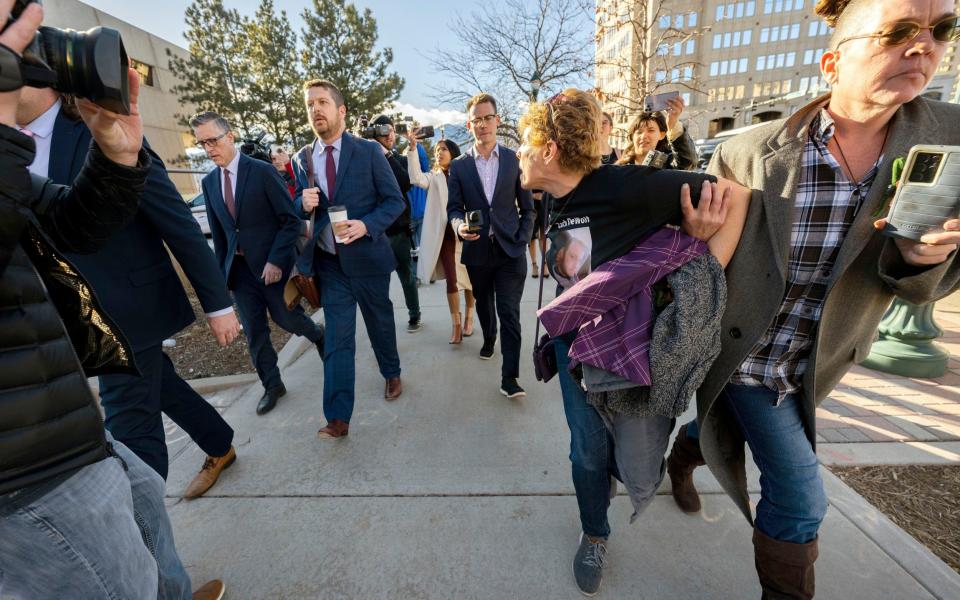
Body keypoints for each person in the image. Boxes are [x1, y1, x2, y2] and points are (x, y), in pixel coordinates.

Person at [664, 0, 960, 597]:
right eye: (898, 31)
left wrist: (921, 260)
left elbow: (932, 278)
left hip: (820, 359)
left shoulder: (948, 139)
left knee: (732, 431)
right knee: (800, 496)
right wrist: (693, 245)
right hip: (745, 355)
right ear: (833, 61)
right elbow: (704, 265)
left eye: (942, 30)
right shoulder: (747, 152)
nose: (922, 46)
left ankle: (691, 448)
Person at [0, 7, 223, 598]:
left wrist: (118, 155)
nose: (26, 54)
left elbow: (72, 224)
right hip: (24, 459)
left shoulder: (24, 151)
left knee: (142, 488)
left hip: (68, 402)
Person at [516, 88, 752, 596]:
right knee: (585, 453)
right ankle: (595, 532)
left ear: (549, 149)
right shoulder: (553, 200)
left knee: (632, 455)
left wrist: (704, 271)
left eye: (524, 143)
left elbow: (736, 199)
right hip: (572, 349)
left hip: (628, 356)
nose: (520, 153)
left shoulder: (625, 186)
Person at [17, 87, 240, 500]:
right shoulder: (9, 148)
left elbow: (174, 219)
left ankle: (149, 557)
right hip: (66, 321)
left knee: (131, 441)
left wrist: (218, 303)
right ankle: (219, 443)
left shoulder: (102, 126)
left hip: (127, 313)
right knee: (163, 387)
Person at [192, 111, 326, 417]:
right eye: (202, 144)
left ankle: (319, 335)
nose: (209, 148)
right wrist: (221, 278)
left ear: (230, 136)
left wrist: (276, 260)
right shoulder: (210, 182)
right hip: (239, 274)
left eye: (213, 140)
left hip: (272, 268)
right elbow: (221, 234)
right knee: (255, 333)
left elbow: (290, 221)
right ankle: (272, 384)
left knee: (287, 319)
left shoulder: (262, 172)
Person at [294, 79, 406, 439]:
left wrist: (366, 225)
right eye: (310, 104)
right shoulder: (302, 159)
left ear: (341, 111)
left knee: (380, 324)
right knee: (339, 340)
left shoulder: (369, 152)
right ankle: (338, 418)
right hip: (330, 266)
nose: (316, 110)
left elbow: (394, 201)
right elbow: (296, 215)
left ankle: (391, 371)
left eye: (323, 102)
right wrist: (301, 205)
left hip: (368, 259)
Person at [447, 93, 536, 399]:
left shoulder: (514, 159)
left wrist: (523, 237)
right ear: (469, 124)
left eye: (487, 118)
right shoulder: (459, 167)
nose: (482, 125)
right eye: (476, 120)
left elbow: (529, 209)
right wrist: (459, 227)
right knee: (484, 305)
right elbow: (453, 209)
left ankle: (509, 377)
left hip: (511, 250)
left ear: (497, 120)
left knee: (509, 311)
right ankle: (488, 336)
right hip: (477, 252)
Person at [406, 133, 476, 343]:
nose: (439, 153)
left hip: (465, 234)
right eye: (437, 151)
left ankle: (469, 319)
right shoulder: (434, 177)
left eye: (443, 149)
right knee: (452, 282)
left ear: (453, 153)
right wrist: (412, 149)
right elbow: (415, 177)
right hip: (444, 237)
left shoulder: (464, 174)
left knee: (470, 280)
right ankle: (456, 325)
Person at [371, 113, 422, 332]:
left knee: (406, 276)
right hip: (376, 232)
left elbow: (405, 182)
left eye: (391, 130)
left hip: (399, 230)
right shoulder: (367, 159)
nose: (389, 135)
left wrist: (386, 155)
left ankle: (414, 313)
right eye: (383, 131)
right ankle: (382, 322)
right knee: (378, 282)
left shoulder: (398, 160)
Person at [617, 108, 698, 171]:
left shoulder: (668, 165)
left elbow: (686, 161)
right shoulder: (620, 169)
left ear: (662, 135)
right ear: (632, 136)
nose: (644, 136)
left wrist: (673, 124)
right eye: (639, 132)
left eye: (651, 130)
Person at [528, 189, 549, 278]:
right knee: (531, 237)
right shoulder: (523, 173)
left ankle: (544, 264)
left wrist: (544, 195)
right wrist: (531, 196)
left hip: (544, 203)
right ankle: (534, 265)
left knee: (544, 236)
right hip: (531, 205)